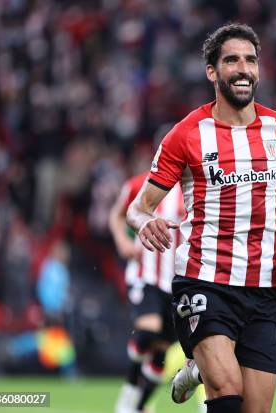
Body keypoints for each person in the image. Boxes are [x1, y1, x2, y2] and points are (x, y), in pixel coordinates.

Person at [126, 23, 276, 413]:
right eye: (232, 60)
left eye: (250, 60)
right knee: (227, 393)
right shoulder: (186, 135)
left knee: (255, 408)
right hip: (204, 280)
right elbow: (138, 206)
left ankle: (196, 370)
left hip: (263, 289)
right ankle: (206, 370)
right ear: (212, 72)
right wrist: (146, 222)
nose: (243, 69)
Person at [109, 148, 185, 413]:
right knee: (147, 334)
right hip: (146, 275)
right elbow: (117, 215)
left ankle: (139, 406)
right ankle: (130, 388)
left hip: (179, 283)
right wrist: (122, 241)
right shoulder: (140, 184)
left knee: (162, 351)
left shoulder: (195, 189)